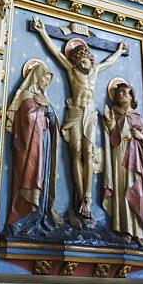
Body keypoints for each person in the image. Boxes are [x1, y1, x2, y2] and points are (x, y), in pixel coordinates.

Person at [32, 18, 127, 221]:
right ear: (76, 61)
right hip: (75, 111)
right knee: (75, 152)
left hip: (90, 113)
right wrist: (42, 32)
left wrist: (119, 51)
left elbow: (109, 61)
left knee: (88, 151)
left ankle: (87, 196)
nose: (86, 64)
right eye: (82, 61)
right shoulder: (72, 70)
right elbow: (56, 53)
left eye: (88, 60)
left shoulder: (94, 71)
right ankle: (79, 193)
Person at [5, 59, 62, 233]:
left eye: (47, 81)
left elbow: (52, 124)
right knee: (27, 178)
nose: (45, 83)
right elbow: (28, 121)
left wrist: (49, 109)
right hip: (28, 147)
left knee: (42, 178)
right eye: (44, 79)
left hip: (41, 145)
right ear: (35, 77)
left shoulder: (43, 99)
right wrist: (43, 112)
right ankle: (21, 219)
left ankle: (38, 217)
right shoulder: (26, 96)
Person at [102, 79, 143, 246]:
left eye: (124, 92)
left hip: (134, 156)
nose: (120, 95)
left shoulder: (137, 117)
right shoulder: (113, 113)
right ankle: (125, 229)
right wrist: (109, 121)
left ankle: (138, 231)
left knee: (136, 190)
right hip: (119, 153)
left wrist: (141, 137)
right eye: (118, 92)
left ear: (131, 97)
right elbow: (110, 133)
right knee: (121, 190)